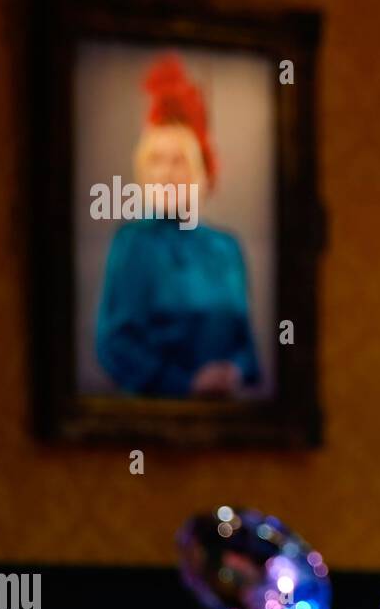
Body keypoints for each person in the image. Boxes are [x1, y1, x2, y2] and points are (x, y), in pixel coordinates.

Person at [96, 54, 261, 398]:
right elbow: (114, 344)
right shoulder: (134, 244)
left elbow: (245, 346)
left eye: (179, 161)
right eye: (157, 161)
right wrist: (184, 384)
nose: (168, 172)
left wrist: (233, 371)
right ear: (143, 172)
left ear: (202, 172)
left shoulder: (226, 248)